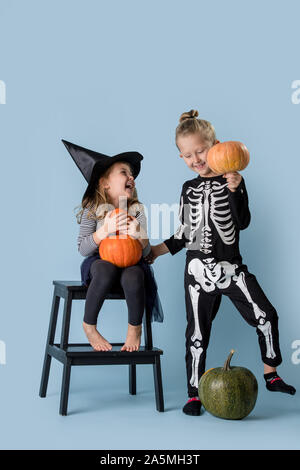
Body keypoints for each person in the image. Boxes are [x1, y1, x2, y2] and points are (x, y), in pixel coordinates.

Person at [145, 110, 296, 416]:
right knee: (197, 333)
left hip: (230, 268)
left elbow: (242, 222)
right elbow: (185, 233)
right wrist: (157, 251)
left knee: (266, 315)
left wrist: (235, 189)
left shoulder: (234, 181)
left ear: (215, 146)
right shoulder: (188, 189)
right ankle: (193, 393)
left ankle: (271, 374)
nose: (195, 158)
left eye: (200, 150)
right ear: (181, 157)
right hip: (197, 272)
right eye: (187, 155)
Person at [62, 140, 163, 354]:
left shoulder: (136, 210)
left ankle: (134, 329)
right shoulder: (93, 209)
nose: (131, 177)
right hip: (100, 262)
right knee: (105, 269)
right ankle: (89, 325)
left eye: (132, 174)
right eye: (124, 172)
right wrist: (103, 230)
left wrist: (141, 237)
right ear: (105, 183)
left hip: (131, 264)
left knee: (136, 274)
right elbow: (83, 248)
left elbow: (144, 254)